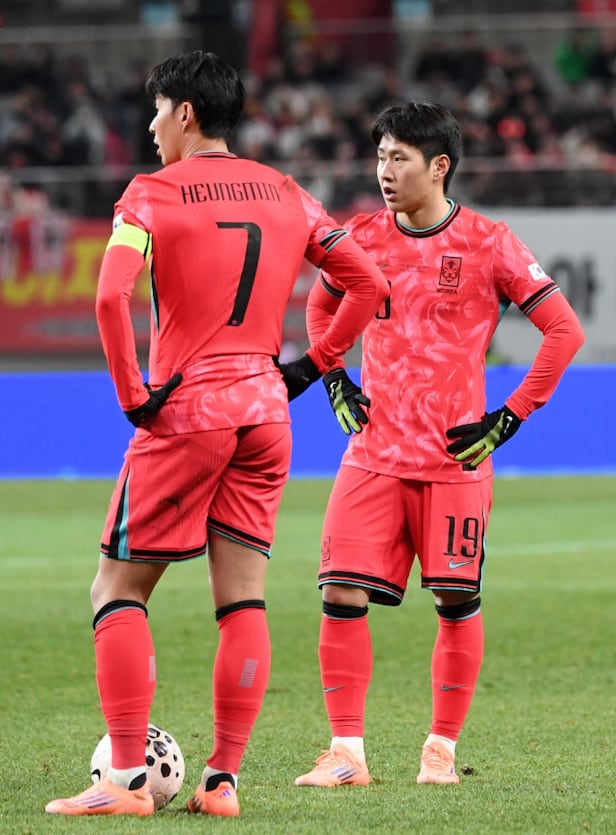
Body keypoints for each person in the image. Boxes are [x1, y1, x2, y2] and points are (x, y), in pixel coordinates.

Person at [44, 50, 388, 819]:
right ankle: (222, 780)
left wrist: (134, 396)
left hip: (188, 411)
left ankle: (125, 779)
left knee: (116, 588)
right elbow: (369, 282)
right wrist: (313, 366)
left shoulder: (150, 195)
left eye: (157, 109)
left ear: (186, 112)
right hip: (266, 413)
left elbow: (110, 296)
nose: (151, 126)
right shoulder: (288, 193)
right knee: (242, 600)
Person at [284, 101, 584, 788]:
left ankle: (440, 752)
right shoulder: (361, 238)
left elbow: (564, 331)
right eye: (380, 157)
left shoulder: (489, 242)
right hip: (372, 453)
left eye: (400, 158)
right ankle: (346, 754)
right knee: (339, 592)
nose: (385, 171)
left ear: (439, 165)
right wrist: (334, 375)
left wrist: (509, 418)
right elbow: (320, 305)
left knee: (455, 603)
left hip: (454, 461)